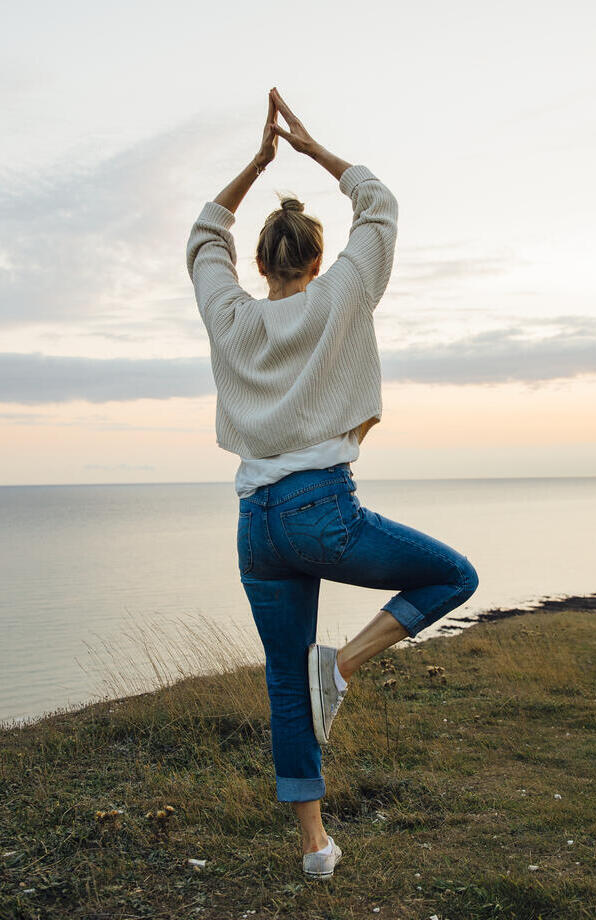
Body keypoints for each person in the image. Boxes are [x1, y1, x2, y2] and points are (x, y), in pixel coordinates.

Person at [186, 87, 479, 880]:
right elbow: (377, 205)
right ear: (316, 260)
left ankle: (315, 849)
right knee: (454, 575)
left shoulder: (232, 318)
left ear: (258, 265)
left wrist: (257, 162)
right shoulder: (342, 294)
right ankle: (342, 666)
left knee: (284, 681)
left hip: (255, 522)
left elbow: (201, 235)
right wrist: (314, 151)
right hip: (322, 509)